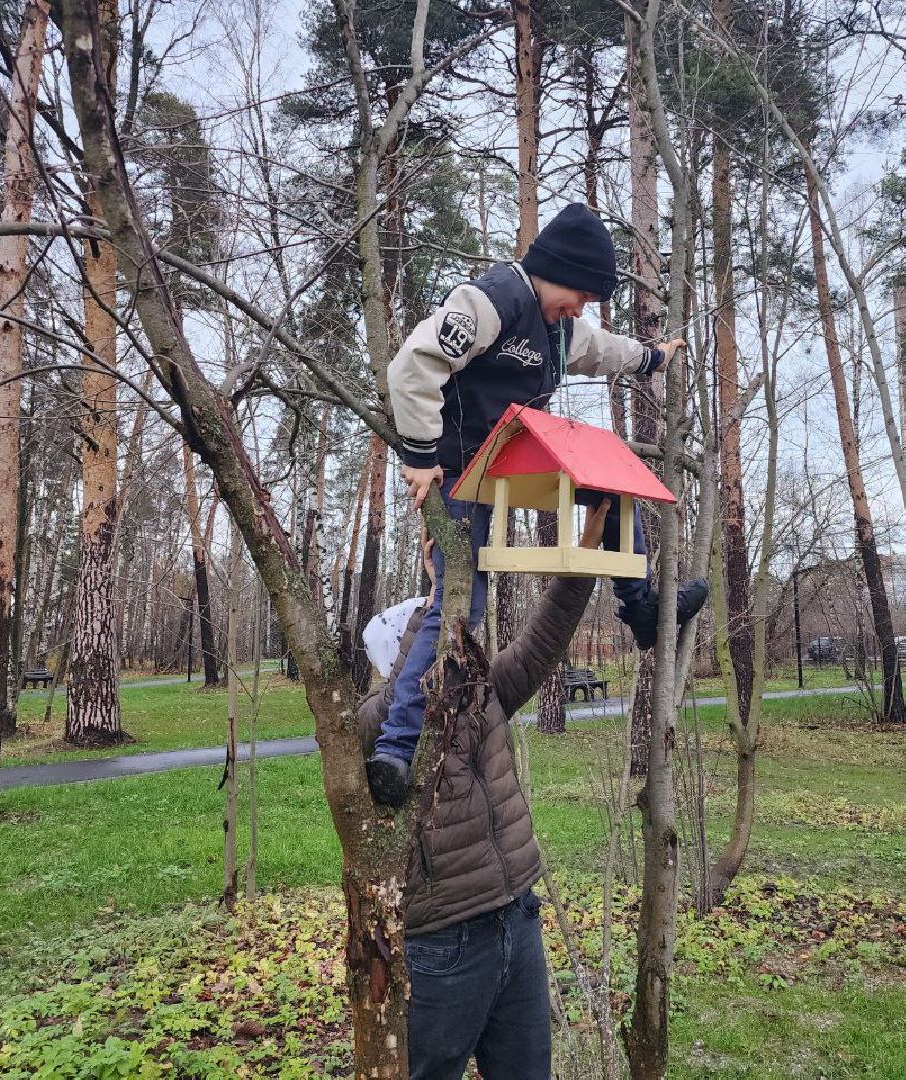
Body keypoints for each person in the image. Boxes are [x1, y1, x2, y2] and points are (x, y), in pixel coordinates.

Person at [367, 202, 708, 806]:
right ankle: (396, 748)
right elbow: (414, 365)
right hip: (457, 466)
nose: (579, 308)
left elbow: (605, 350)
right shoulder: (489, 301)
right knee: (461, 603)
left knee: (609, 482)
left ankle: (640, 605)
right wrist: (420, 455)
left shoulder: (561, 327)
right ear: (553, 269)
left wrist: (655, 356)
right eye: (577, 293)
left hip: (513, 451)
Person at [358, 502, 612, 1079]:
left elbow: (541, 644)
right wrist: (436, 601)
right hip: (445, 943)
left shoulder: (482, 697)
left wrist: (586, 554)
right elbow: (399, 696)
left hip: (517, 921)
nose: (449, 655)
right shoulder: (377, 732)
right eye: (429, 642)